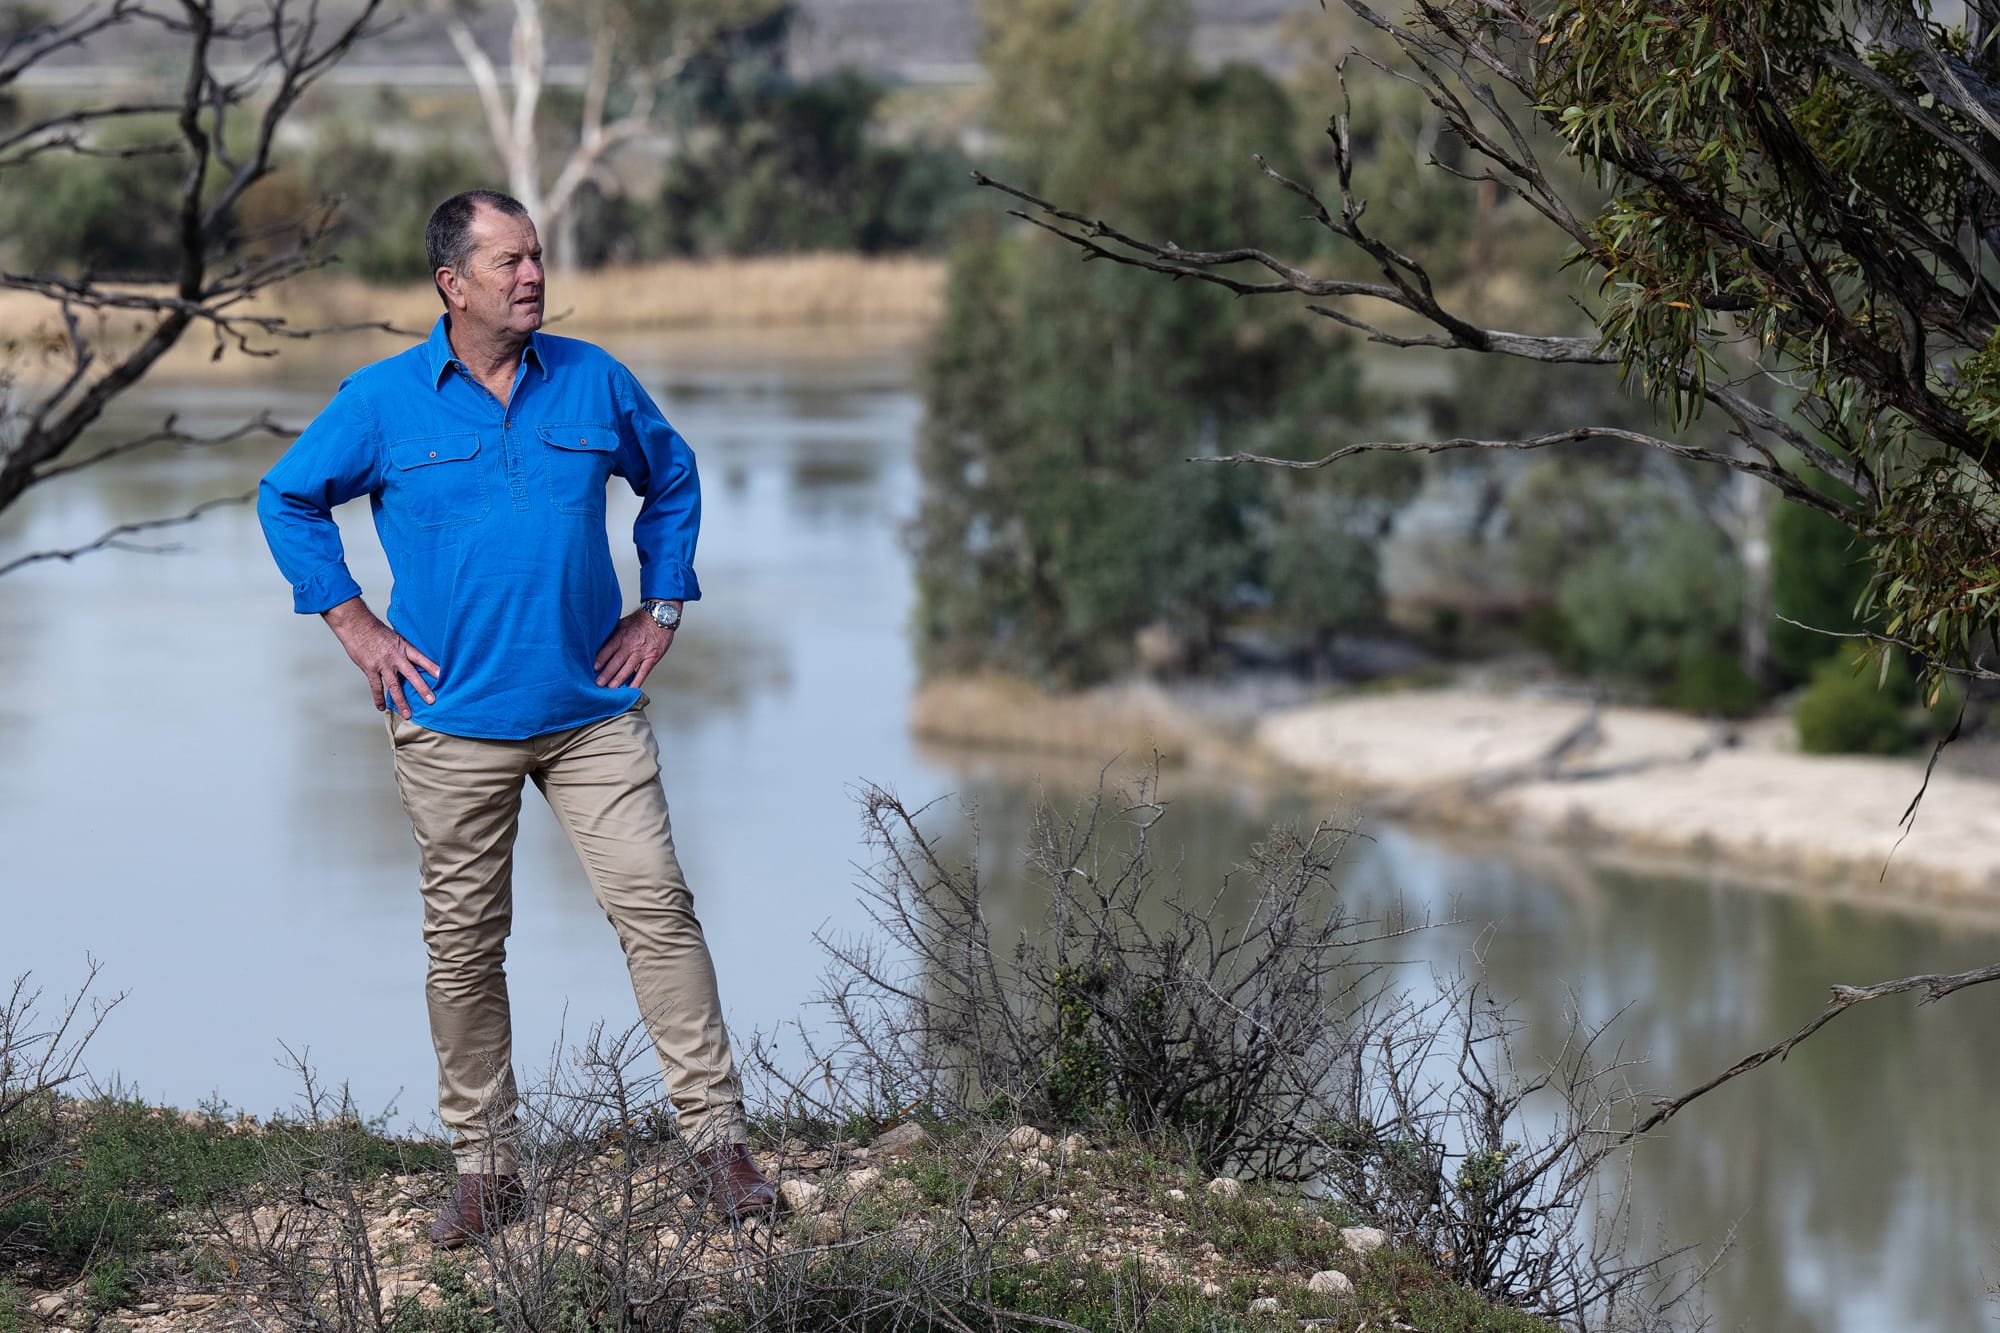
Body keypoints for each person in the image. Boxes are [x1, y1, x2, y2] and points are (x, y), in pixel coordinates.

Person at [256, 189, 775, 1246]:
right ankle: (486, 1169)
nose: (533, 275)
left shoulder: (594, 378)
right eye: (509, 261)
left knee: (658, 909)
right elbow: (287, 497)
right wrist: (354, 624)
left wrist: (661, 606)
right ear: (451, 283)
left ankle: (718, 1148)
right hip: (448, 719)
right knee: (463, 946)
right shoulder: (381, 400)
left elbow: (672, 479)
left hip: (591, 713)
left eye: (536, 256)